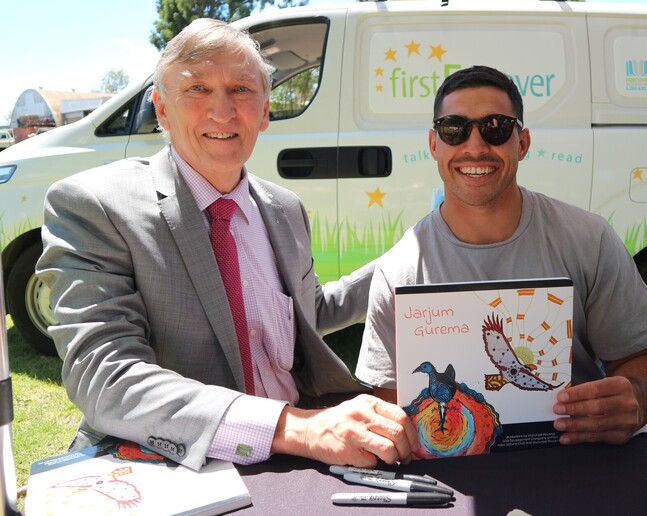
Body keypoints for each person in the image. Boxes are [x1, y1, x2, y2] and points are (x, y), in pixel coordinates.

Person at [36, 18, 418, 471]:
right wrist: (297, 429)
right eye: (197, 89)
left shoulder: (284, 208)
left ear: (265, 111)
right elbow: (107, 377)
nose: (223, 112)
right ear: (161, 109)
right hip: (180, 469)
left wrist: (410, 257)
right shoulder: (93, 205)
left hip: (298, 463)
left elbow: (308, 311)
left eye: (241, 89)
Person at [355, 65, 647, 446]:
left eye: (495, 127)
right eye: (454, 128)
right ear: (433, 143)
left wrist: (635, 397)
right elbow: (391, 406)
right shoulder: (398, 272)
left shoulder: (589, 239)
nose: (474, 146)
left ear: (522, 143)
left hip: (580, 458)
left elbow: (645, 360)